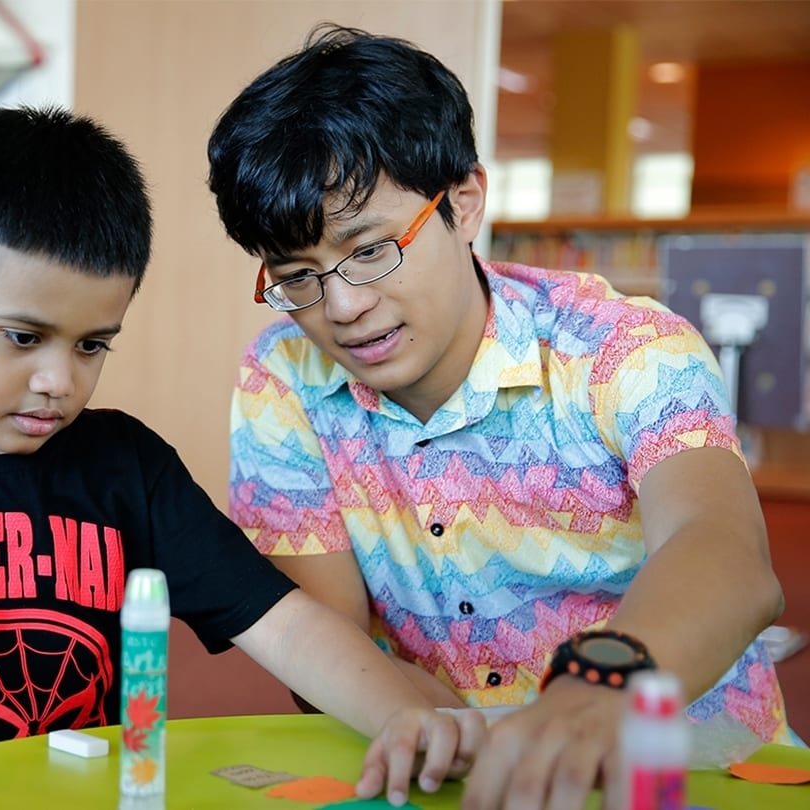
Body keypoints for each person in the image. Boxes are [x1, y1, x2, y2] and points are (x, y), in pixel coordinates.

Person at [0, 105, 484, 803]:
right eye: (23, 336)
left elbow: (283, 625)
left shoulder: (125, 468)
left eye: (92, 345)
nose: (58, 381)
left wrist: (409, 718)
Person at [208, 23, 792, 810]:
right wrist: (439, 731)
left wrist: (599, 687)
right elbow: (325, 642)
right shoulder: (283, 377)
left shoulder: (624, 348)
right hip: (455, 783)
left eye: (371, 249)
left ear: (465, 201)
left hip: (692, 775)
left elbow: (722, 552)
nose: (342, 306)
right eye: (297, 275)